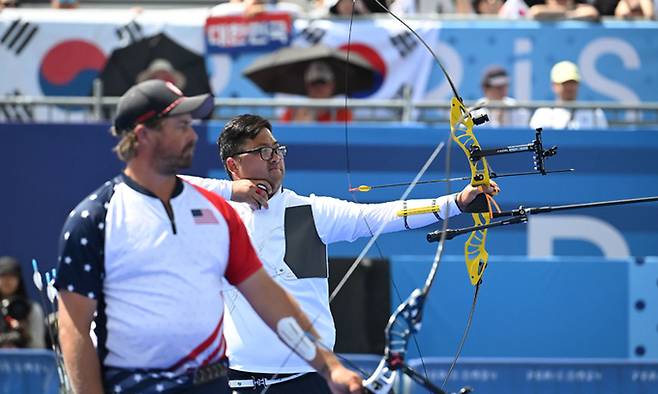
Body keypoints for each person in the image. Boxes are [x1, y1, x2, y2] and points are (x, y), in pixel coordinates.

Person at [53, 80, 362, 394]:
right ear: (144, 135)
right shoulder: (94, 219)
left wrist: (329, 366)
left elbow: (268, 299)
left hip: (212, 384)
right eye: (182, 126)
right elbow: (74, 328)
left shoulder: (218, 213)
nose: (193, 135)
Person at [184, 114, 500, 393]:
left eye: (277, 149)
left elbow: (382, 215)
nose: (275, 157)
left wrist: (456, 203)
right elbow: (161, 183)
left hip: (307, 381)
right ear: (233, 165)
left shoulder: (309, 211)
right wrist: (231, 191)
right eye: (262, 151)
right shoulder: (214, 214)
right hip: (235, 381)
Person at [530, 61, 608, 130]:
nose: (569, 87)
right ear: (554, 86)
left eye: (573, 83)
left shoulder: (595, 113)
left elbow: (604, 143)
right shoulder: (543, 114)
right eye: (564, 83)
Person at [280, 61, 353, 123]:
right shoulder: (294, 110)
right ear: (307, 86)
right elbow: (280, 136)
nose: (318, 88)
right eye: (314, 83)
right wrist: (298, 127)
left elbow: (348, 137)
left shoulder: (342, 110)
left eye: (323, 83)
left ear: (332, 85)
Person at [0, 256, 46, 349]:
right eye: (3, 275)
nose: (7, 281)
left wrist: (25, 333)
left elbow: (38, 347)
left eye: (12, 276)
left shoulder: (32, 309)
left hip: (25, 362)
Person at [528, 0, 600, 20]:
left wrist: (567, 14)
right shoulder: (539, 8)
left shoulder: (580, 6)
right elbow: (536, 12)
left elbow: (592, 13)